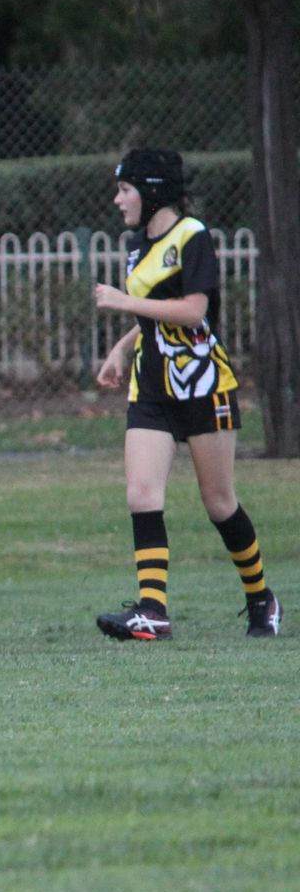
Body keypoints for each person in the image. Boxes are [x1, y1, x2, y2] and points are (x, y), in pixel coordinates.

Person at [91, 148, 280, 640]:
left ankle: (261, 597)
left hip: (203, 386)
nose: (118, 200)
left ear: (151, 191)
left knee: (218, 502)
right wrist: (122, 347)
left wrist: (122, 302)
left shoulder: (192, 237)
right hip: (151, 388)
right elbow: (154, 310)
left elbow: (194, 311)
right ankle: (152, 611)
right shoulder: (137, 245)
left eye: (125, 190)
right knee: (141, 493)